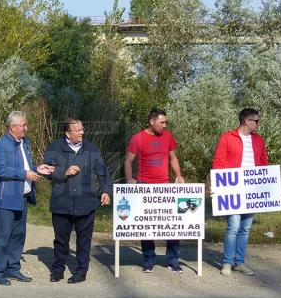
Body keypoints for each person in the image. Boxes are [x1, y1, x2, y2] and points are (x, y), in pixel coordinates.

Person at [0, 111, 54, 286]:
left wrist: (37, 169)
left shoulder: (24, 143)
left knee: (18, 235)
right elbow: (0, 169)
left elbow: (24, 166)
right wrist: (25, 174)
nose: (26, 128)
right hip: (5, 198)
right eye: (23, 125)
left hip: (22, 197)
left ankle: (13, 268)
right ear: (13, 127)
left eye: (26, 125)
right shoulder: (1, 145)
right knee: (3, 236)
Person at [43, 118, 112, 284]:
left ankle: (81, 271)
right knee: (61, 240)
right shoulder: (54, 148)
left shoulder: (92, 149)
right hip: (61, 203)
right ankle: (58, 270)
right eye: (78, 130)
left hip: (85, 203)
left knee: (84, 240)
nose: (82, 132)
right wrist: (63, 171)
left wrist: (106, 191)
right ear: (68, 133)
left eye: (82, 129)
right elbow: (45, 171)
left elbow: (103, 174)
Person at [124, 108, 185, 273]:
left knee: (173, 224)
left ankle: (172, 260)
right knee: (147, 224)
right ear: (152, 122)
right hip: (144, 186)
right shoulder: (138, 138)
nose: (165, 125)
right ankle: (149, 259)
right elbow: (128, 160)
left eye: (166, 122)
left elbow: (173, 158)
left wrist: (178, 176)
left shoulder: (168, 136)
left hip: (165, 186)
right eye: (162, 122)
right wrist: (130, 179)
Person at [212, 108, 269, 277]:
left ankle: (239, 262)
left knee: (245, 228)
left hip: (252, 189)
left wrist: (271, 186)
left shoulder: (259, 140)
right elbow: (218, 162)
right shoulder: (227, 138)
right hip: (232, 189)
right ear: (247, 121)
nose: (258, 123)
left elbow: (264, 163)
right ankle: (227, 263)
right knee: (233, 227)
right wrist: (215, 185)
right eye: (256, 121)